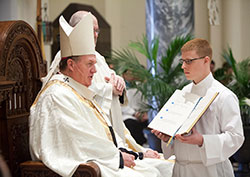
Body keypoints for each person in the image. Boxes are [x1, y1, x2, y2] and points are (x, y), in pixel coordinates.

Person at [30, 13, 173, 177]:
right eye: (90, 64)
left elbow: (100, 129)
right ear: (70, 64)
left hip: (101, 157)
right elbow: (76, 138)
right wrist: (117, 157)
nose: (95, 70)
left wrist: (131, 154)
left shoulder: (77, 90)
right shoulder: (57, 95)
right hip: (86, 164)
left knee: (158, 169)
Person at [152, 38, 244, 177]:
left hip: (210, 170)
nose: (183, 66)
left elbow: (235, 137)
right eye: (182, 61)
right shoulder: (183, 92)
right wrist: (167, 138)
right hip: (181, 169)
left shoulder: (224, 96)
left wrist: (202, 140)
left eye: (189, 61)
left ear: (206, 60)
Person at [121, 69, 148, 145]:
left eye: (133, 73)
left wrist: (144, 113)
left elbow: (144, 102)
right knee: (131, 124)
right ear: (124, 75)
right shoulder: (121, 87)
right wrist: (135, 113)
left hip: (141, 114)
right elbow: (122, 105)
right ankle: (138, 145)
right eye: (128, 73)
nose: (131, 75)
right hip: (127, 115)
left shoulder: (139, 86)